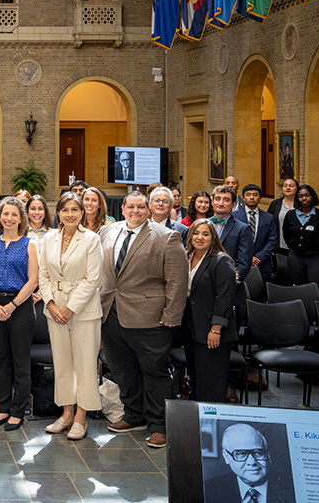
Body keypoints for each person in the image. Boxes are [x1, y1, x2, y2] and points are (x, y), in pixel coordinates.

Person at [99, 191, 186, 448]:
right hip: (111, 314)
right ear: (123, 208)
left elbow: (177, 280)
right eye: (131, 207)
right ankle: (133, 415)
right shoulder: (108, 231)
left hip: (151, 319)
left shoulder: (167, 237)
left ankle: (159, 425)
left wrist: (172, 314)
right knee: (122, 369)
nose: (135, 211)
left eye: (141, 207)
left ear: (148, 209)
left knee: (155, 371)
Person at [37, 192, 103, 441]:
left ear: (82, 212)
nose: (70, 214)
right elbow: (43, 275)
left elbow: (93, 278)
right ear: (59, 213)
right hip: (55, 310)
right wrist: (52, 304)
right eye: (65, 210)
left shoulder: (91, 239)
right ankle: (66, 413)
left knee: (85, 366)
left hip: (83, 311)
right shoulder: (50, 238)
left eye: (75, 209)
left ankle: (81, 418)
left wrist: (70, 308)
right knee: (63, 364)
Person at [0, 197, 39, 432]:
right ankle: (3, 408)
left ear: (21, 218)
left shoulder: (29, 244)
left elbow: (33, 280)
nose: (9, 218)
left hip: (21, 306)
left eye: (14, 214)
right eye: (5, 214)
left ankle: (17, 411)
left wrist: (12, 305)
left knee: (20, 361)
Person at [204, 423, 301, 503]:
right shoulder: (210, 489)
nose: (252, 462)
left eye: (258, 453)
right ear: (226, 456)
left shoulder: (292, 487)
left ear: (268, 455)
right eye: (241, 453)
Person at [182, 219, 237, 403]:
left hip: (212, 331)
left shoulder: (221, 261)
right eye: (196, 233)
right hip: (191, 327)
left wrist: (216, 329)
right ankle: (198, 419)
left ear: (213, 237)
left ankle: (210, 424)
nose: (200, 237)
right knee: (197, 377)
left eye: (205, 234)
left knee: (211, 382)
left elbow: (224, 298)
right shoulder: (186, 257)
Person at [283, 184, 319, 295]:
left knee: (318, 291)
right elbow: (287, 235)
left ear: (312, 197)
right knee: (300, 290)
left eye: (307, 195)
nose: (304, 199)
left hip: (317, 259)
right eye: (300, 196)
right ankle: (303, 311)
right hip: (296, 258)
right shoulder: (290, 215)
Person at [232, 184, 278, 282]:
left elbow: (272, 241)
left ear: (260, 198)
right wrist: (247, 258)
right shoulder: (234, 217)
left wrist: (258, 257)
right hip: (239, 263)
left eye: (255, 195)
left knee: (263, 294)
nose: (252, 197)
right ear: (243, 197)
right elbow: (232, 241)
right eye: (248, 195)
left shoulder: (268, 218)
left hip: (262, 264)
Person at [266, 178, 299, 258]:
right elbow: (268, 225)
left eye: (291, 186)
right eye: (285, 186)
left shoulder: (302, 204)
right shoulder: (275, 204)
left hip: (298, 248)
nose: (288, 188)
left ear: (297, 188)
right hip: (280, 247)